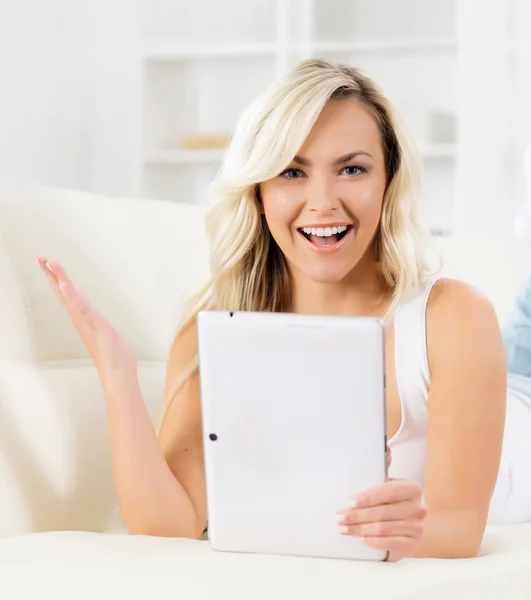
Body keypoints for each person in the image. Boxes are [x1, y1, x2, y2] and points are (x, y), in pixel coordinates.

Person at [36, 59, 531, 562]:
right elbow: (170, 524)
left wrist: (412, 532)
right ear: (259, 189)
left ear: (389, 182)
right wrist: (115, 373)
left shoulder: (454, 317)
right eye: (292, 171)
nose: (322, 202)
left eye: (352, 169)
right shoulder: (214, 333)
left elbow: (462, 526)